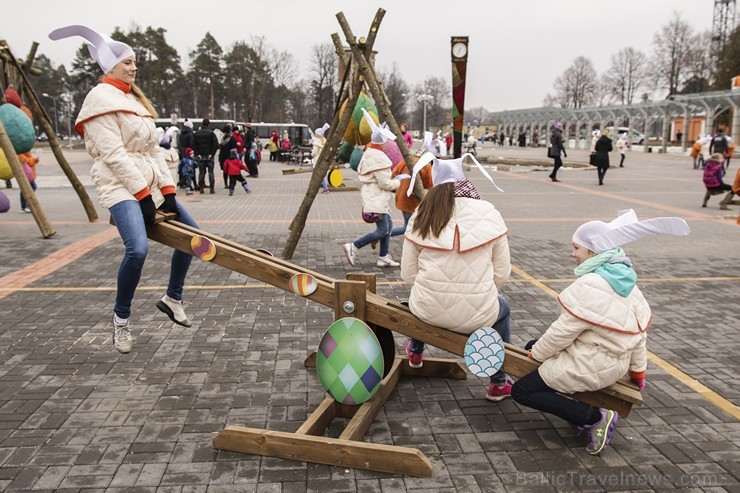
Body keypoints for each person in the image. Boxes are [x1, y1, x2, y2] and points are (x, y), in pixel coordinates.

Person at [50, 25, 199, 354]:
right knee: (137, 250)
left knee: (194, 236)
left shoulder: (134, 100)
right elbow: (115, 156)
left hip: (147, 182)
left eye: (134, 63)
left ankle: (172, 297)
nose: (133, 68)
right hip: (119, 184)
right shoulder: (99, 100)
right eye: (127, 63)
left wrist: (168, 189)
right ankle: (121, 320)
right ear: (110, 66)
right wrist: (144, 197)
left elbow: (153, 151)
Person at [512, 210, 689, 455]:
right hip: (612, 361)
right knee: (534, 344)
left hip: (590, 365)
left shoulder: (591, 284)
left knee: (522, 391)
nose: (572, 254)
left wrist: (535, 358)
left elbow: (561, 332)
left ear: (593, 251)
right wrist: (638, 372)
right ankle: (572, 405)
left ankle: (594, 417)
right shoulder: (625, 280)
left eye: (576, 248)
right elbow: (639, 336)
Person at [401, 151, 514, 401]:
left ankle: (416, 351)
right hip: (478, 314)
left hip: (427, 311)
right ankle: (497, 382)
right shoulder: (488, 212)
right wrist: (480, 292)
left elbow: (408, 275)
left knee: (418, 296)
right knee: (503, 307)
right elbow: (503, 273)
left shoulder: (422, 213)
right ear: (466, 182)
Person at [342, 109, 404, 268]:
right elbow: (385, 184)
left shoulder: (369, 153)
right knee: (383, 230)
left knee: (388, 227)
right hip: (377, 197)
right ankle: (354, 246)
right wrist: (400, 182)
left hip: (373, 195)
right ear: (382, 142)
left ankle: (383, 257)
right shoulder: (379, 158)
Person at [390, 132, 435, 237]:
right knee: (408, 226)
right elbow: (429, 184)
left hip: (401, 195)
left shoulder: (407, 160)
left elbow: (394, 174)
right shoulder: (426, 165)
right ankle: (384, 235)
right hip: (412, 199)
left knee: (411, 224)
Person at [193, 118, 219, 194]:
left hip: (201, 155)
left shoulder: (197, 133)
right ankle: (212, 188)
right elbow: (215, 144)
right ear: (208, 124)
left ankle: (201, 187)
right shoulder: (211, 133)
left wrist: (197, 154)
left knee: (201, 172)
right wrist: (212, 154)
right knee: (211, 172)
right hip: (209, 156)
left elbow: (193, 145)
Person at [311, 123, 330, 193]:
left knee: (317, 173)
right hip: (323, 159)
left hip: (317, 159)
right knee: (319, 173)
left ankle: (324, 187)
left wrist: (311, 154)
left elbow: (315, 152)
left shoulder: (316, 141)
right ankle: (322, 186)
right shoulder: (325, 140)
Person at [177, 119, 195, 187]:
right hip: (188, 152)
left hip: (182, 151)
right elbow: (191, 144)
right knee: (189, 167)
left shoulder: (180, 133)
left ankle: (181, 181)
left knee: (182, 166)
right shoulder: (190, 134)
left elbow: (179, 143)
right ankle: (188, 182)